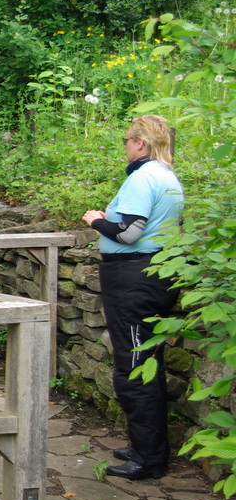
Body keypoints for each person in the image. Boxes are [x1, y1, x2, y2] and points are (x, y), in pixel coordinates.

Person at [81, 114, 184, 480]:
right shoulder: (167, 177)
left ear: (141, 143)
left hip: (134, 277)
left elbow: (128, 233)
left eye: (127, 139)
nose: (125, 145)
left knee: (136, 366)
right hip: (153, 272)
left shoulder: (144, 178)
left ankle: (149, 458)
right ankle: (144, 446)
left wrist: (96, 220)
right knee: (143, 360)